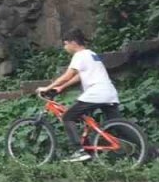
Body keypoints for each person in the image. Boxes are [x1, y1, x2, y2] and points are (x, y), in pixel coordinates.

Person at [37, 29, 120, 163]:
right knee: (119, 127)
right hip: (109, 93)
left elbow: (68, 75)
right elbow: (79, 76)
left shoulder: (80, 55)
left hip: (96, 94)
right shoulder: (91, 54)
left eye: (66, 44)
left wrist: (48, 87)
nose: (65, 48)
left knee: (68, 116)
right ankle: (153, 151)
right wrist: (61, 87)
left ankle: (78, 151)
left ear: (73, 43)